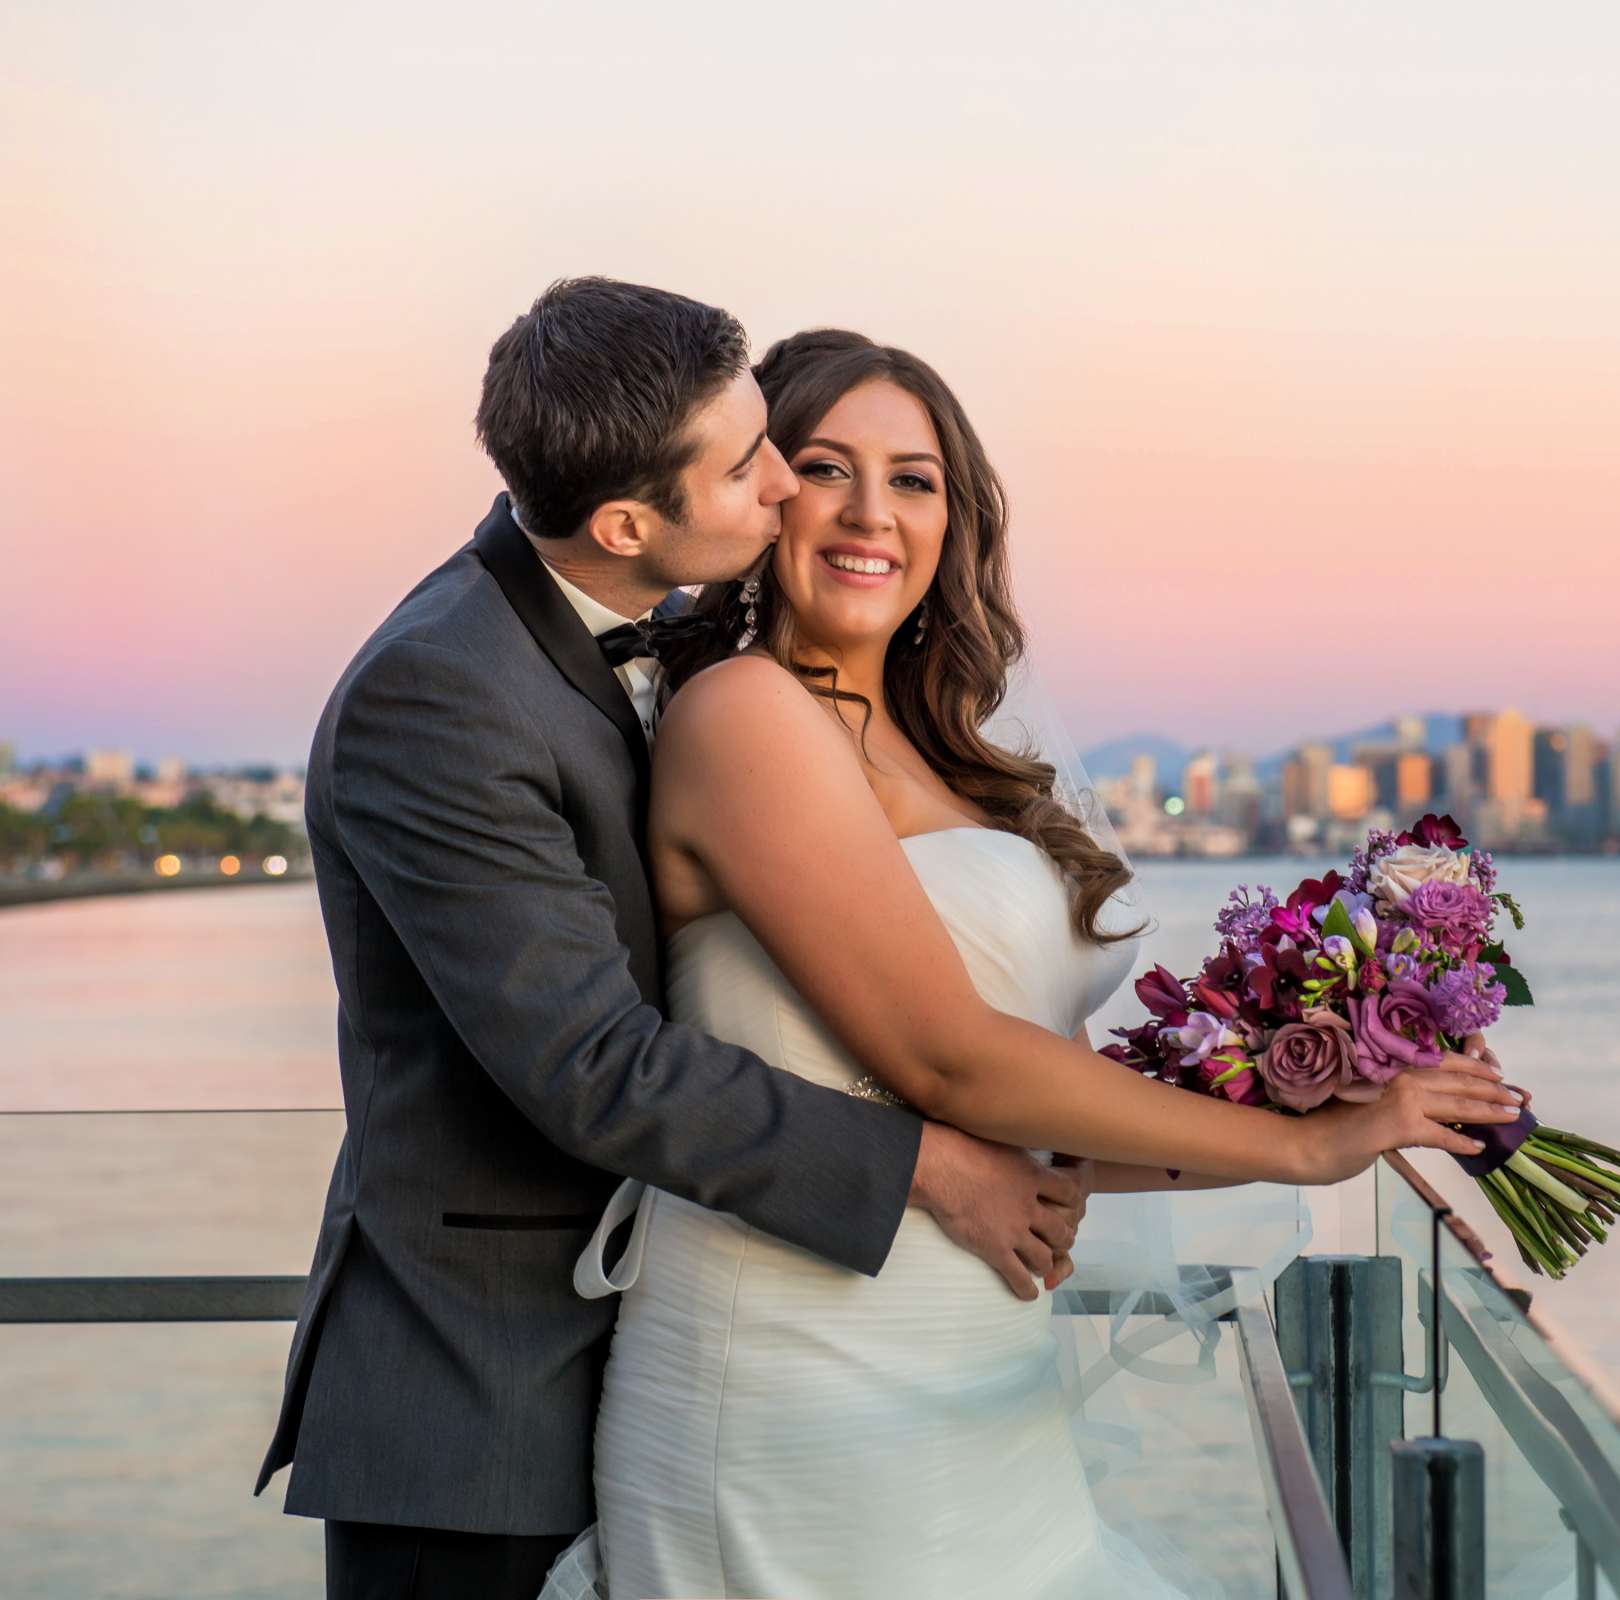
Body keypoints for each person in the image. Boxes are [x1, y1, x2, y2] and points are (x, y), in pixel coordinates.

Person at [535, 328, 1521, 1598]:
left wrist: (1330, 1089)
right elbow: (946, 1058)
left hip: (986, 1376)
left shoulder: (958, 764)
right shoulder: (743, 713)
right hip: (800, 1384)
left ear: (956, 519)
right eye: (827, 467)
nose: (869, 512)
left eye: (915, 478)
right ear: (765, 489)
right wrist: (1304, 1152)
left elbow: (1035, 1126)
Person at [256, 279, 1102, 1599]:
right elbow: (597, 1064)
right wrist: (929, 1162)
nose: (786, 488)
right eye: (756, 462)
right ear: (628, 521)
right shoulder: (440, 687)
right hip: (487, 1392)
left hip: (699, 1353)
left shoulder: (607, 649)